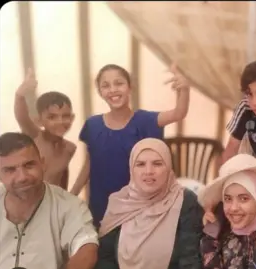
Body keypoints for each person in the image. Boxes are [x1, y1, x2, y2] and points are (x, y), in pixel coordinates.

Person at [70, 63, 190, 227]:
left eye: (119, 83)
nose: (113, 90)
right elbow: (90, 163)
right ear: (99, 92)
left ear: (130, 87)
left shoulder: (146, 120)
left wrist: (183, 89)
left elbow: (179, 112)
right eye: (106, 85)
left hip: (140, 207)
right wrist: (72, 195)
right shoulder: (93, 125)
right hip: (101, 205)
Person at [95, 138, 203, 269]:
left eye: (157, 164)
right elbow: (106, 259)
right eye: (140, 164)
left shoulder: (186, 201)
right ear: (131, 169)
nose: (148, 171)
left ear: (169, 167)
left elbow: (190, 259)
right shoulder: (120, 202)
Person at [0, 132, 98, 269]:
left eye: (29, 165)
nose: (22, 177)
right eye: (10, 170)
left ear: (43, 164)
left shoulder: (69, 205)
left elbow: (86, 248)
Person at [14, 68, 76, 190]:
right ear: (39, 120)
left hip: (51, 201)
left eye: (65, 116)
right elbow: (22, 117)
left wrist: (64, 196)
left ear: (72, 118)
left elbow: (63, 174)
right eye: (52, 117)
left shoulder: (70, 148)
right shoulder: (35, 136)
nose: (60, 122)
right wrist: (20, 95)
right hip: (28, 199)